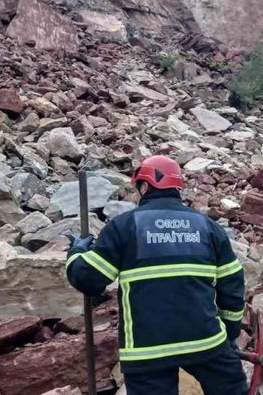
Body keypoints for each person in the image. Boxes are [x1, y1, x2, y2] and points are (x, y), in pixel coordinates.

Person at [65, 155, 247, 395]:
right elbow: (232, 285)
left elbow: (88, 279)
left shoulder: (125, 226)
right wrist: (231, 334)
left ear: (145, 186)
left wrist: (77, 251)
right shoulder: (207, 226)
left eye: (137, 188)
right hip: (206, 342)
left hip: (147, 350)